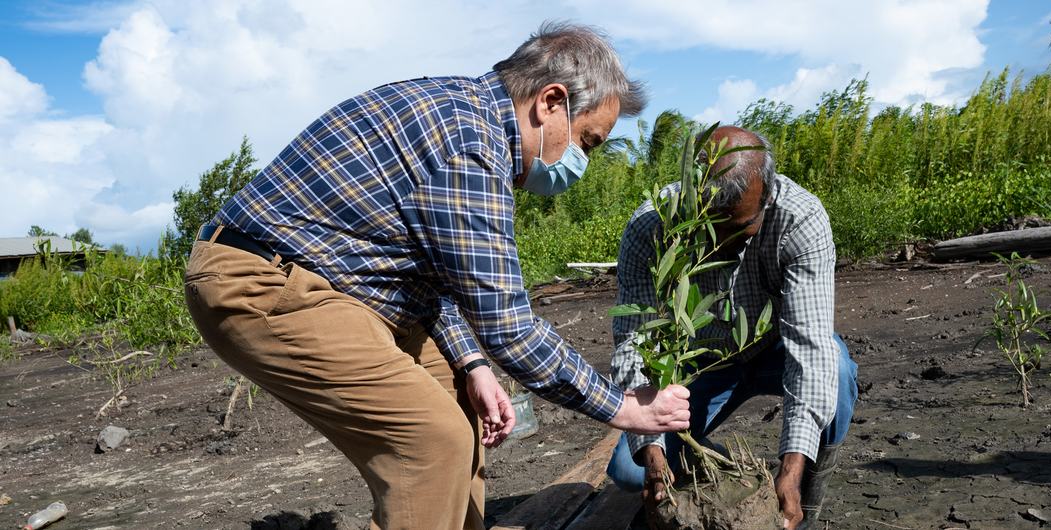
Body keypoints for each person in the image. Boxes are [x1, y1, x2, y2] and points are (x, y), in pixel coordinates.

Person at [183, 22, 691, 530]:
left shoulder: (467, 118)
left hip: (348, 289)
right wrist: (625, 408)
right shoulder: (469, 149)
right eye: (588, 140)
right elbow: (510, 328)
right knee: (429, 441)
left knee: (459, 408)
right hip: (263, 282)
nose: (579, 159)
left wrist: (472, 363)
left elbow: (432, 271)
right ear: (550, 102)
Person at [606, 126, 858, 529]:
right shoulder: (651, 227)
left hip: (775, 350)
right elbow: (635, 344)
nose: (720, 243)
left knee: (838, 370)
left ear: (768, 195)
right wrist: (653, 452)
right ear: (692, 198)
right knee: (627, 469)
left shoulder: (800, 220)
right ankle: (713, 463)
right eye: (710, 227)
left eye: (737, 229)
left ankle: (804, 508)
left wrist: (789, 471)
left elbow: (809, 351)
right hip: (702, 364)